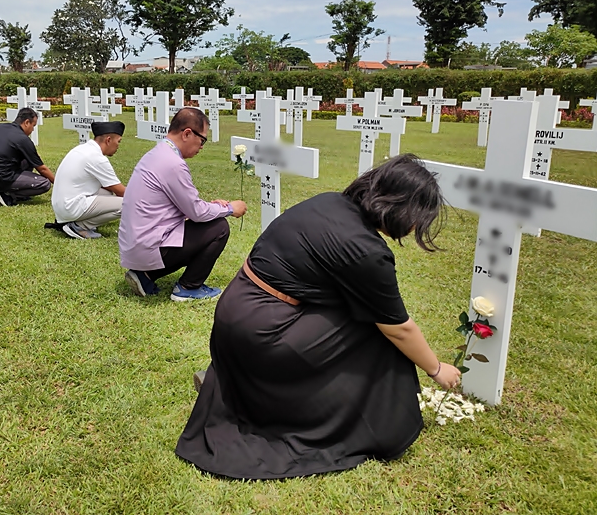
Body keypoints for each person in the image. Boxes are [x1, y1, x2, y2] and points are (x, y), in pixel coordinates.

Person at [175, 154, 461, 480]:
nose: (414, 228)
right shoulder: (367, 250)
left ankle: (257, 391)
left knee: (359, 312)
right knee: (374, 328)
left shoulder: (328, 203)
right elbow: (399, 329)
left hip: (233, 315)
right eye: (417, 218)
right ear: (401, 208)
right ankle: (369, 422)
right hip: (263, 333)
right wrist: (437, 369)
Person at [119, 107, 247, 302]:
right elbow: (196, 212)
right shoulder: (173, 163)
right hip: (148, 246)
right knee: (218, 228)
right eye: (202, 140)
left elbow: (184, 205)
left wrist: (214, 208)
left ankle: (145, 276)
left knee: (206, 222)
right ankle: (189, 287)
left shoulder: (157, 153)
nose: (202, 147)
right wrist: (229, 208)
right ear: (187, 133)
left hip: (135, 246)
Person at [49, 120, 126, 239]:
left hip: (61, 205)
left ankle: (73, 221)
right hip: (70, 206)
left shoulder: (83, 149)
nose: (118, 146)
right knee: (128, 203)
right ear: (108, 140)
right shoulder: (97, 158)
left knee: (107, 193)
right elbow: (121, 192)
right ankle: (79, 226)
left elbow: (109, 187)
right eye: (118, 142)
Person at [0, 107, 55, 206]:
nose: (32, 130)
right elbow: (42, 169)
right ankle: (6, 193)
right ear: (26, 122)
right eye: (33, 126)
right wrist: (59, 184)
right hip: (0, 178)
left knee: (28, 159)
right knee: (44, 184)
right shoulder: (22, 139)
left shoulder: (0, 127)